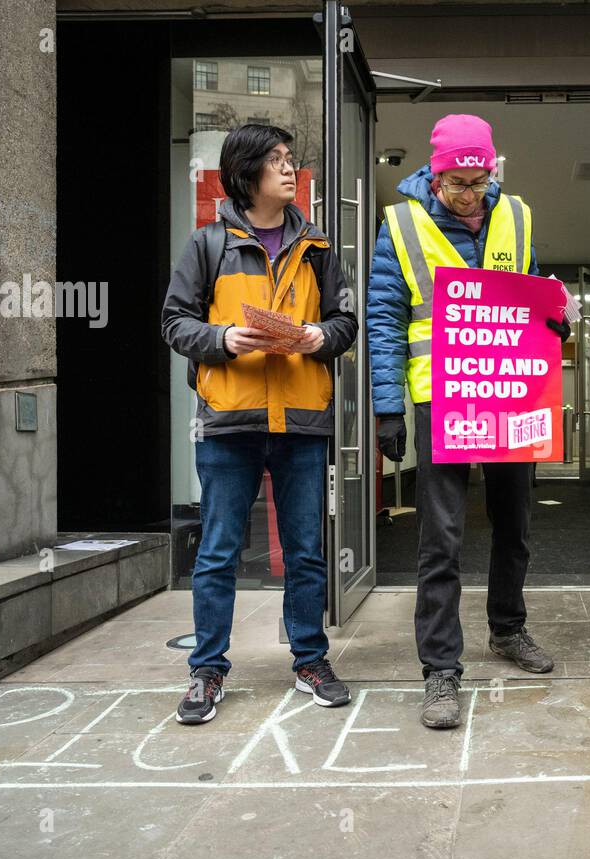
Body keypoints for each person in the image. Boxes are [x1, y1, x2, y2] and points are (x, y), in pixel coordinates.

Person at [367, 114, 571, 729]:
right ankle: (441, 671)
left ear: (493, 170)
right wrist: (386, 409)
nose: (469, 195)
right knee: (442, 539)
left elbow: (532, 290)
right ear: (433, 172)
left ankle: (508, 631)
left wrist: (553, 317)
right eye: (456, 183)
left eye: (478, 181)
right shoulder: (400, 223)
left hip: (511, 395)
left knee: (515, 526)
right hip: (441, 400)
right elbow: (384, 318)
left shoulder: (518, 215)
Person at [162, 124, 359, 723]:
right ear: (246, 173)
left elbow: (346, 323)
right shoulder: (208, 245)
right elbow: (174, 323)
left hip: (301, 420)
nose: (288, 167)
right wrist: (223, 338)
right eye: (275, 159)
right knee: (219, 551)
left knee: (305, 550)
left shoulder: (319, 249)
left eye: (290, 158)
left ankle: (309, 659)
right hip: (230, 421)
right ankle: (208, 670)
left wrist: (317, 336)